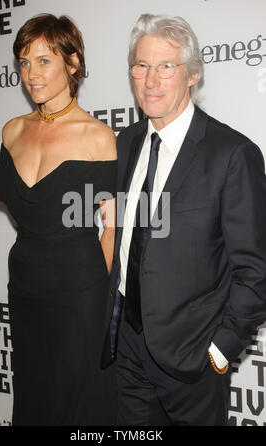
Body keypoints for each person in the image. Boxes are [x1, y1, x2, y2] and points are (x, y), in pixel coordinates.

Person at [101, 13, 266, 426]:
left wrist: (220, 350)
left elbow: (255, 270)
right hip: (127, 347)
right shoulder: (126, 142)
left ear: (192, 75)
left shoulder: (231, 154)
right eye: (141, 66)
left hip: (193, 362)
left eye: (165, 66)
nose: (150, 80)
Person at [0, 13, 117, 426]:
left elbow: (112, 225)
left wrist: (99, 294)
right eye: (24, 62)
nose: (32, 73)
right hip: (25, 283)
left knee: (80, 399)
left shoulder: (97, 137)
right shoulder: (11, 131)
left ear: (73, 63)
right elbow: (25, 212)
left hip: (80, 289)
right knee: (33, 390)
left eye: (45, 61)